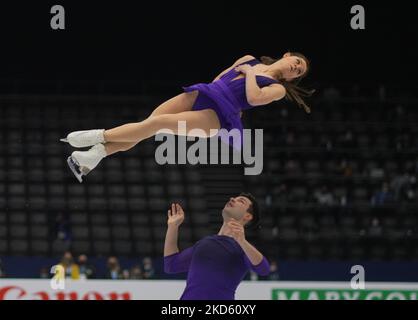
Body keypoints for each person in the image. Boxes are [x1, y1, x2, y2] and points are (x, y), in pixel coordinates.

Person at [61, 53, 314, 182]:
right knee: (146, 126)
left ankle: (96, 136)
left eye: (299, 71)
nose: (296, 67)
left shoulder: (278, 89)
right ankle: (90, 157)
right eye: (297, 61)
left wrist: (249, 74)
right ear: (288, 54)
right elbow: (219, 78)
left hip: (216, 115)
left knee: (156, 125)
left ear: (293, 79)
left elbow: (255, 96)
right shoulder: (249, 58)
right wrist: (244, 71)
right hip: (204, 93)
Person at [164, 192, 270, 300]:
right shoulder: (204, 243)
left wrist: (242, 241)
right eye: (234, 198)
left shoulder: (243, 248)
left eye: (241, 201)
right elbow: (171, 265)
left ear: (247, 216)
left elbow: (264, 269)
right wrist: (173, 227)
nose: (232, 199)